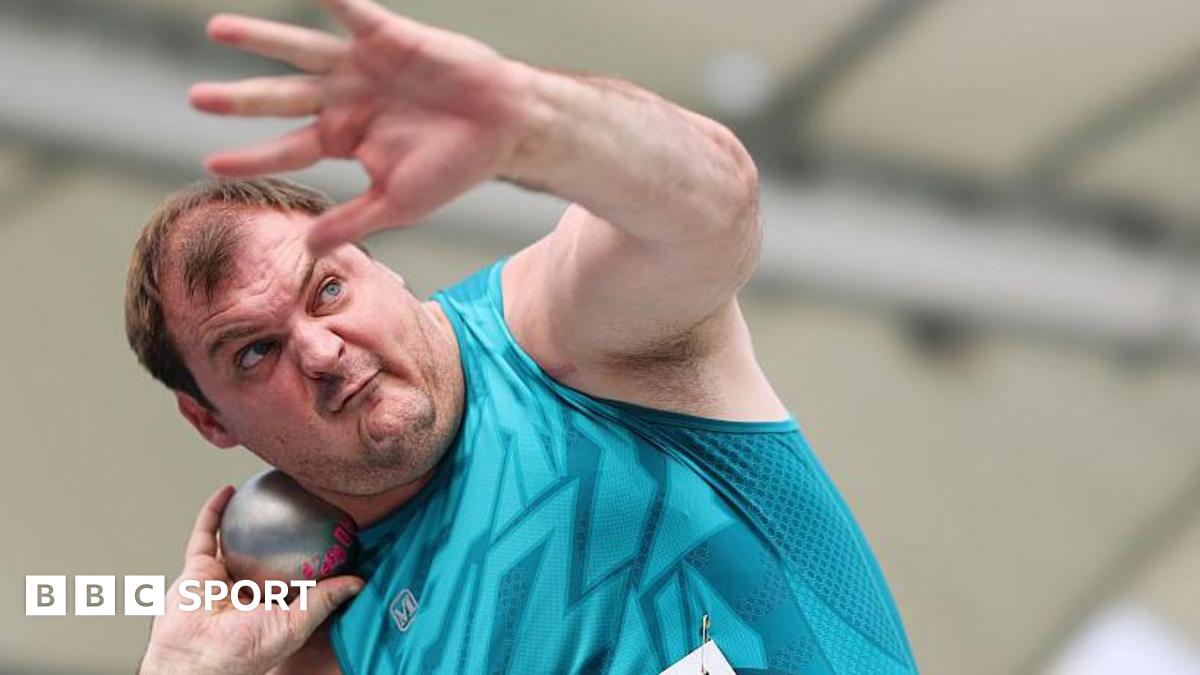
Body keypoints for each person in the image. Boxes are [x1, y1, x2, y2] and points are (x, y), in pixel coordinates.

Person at [126, 1, 917, 673]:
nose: (325, 352)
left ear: (379, 264)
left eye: (328, 288)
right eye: (255, 352)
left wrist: (531, 125)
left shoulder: (559, 337)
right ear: (211, 420)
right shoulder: (321, 634)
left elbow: (715, 208)